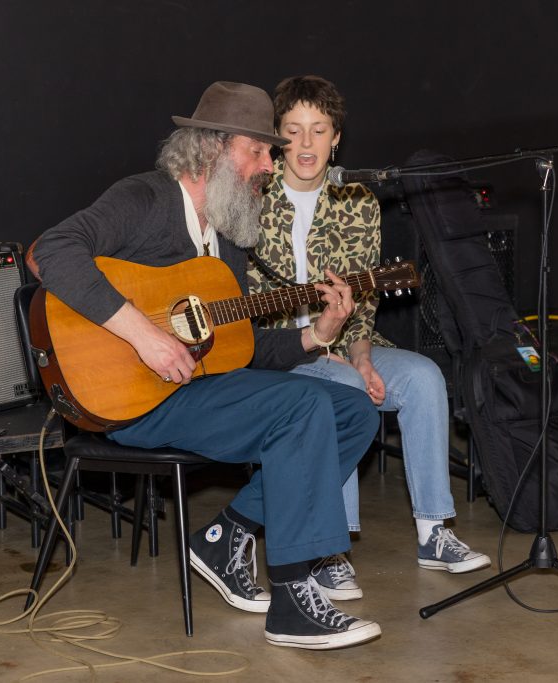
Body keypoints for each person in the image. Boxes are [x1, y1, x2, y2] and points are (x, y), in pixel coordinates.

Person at [27, 81, 382, 650]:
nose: (270, 164)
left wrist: (317, 335)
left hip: (198, 391)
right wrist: (144, 335)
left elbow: (240, 347)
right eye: (259, 150)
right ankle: (293, 599)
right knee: (303, 405)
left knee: (354, 411)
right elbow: (49, 251)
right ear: (214, 148)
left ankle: (225, 537)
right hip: (131, 397)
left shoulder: (228, 235)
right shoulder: (145, 198)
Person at [247, 75, 490, 602]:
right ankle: (330, 550)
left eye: (319, 130)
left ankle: (434, 531)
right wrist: (324, 350)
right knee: (345, 390)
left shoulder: (358, 200)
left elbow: (362, 300)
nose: (306, 143)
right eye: (293, 130)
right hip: (276, 349)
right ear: (276, 137)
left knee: (424, 377)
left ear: (336, 138)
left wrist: (360, 355)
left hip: (341, 343)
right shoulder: (252, 196)